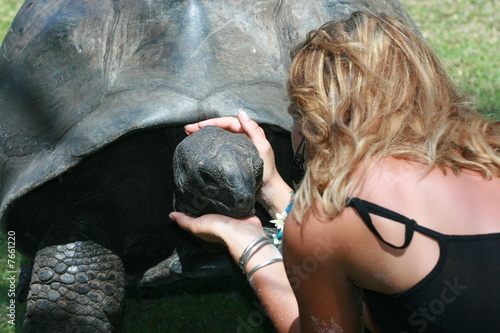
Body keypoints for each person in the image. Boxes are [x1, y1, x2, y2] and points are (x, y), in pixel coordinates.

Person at [169, 10, 500, 333]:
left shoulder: (330, 221)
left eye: (295, 114)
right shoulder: (490, 152)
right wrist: (270, 186)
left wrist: (250, 245)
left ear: (315, 120)